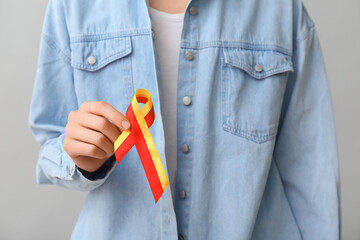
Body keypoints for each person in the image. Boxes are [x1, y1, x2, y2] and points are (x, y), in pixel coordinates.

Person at [28, 0, 341, 239]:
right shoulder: (73, 5)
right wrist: (79, 156)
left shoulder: (280, 9)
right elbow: (51, 142)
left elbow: (312, 172)